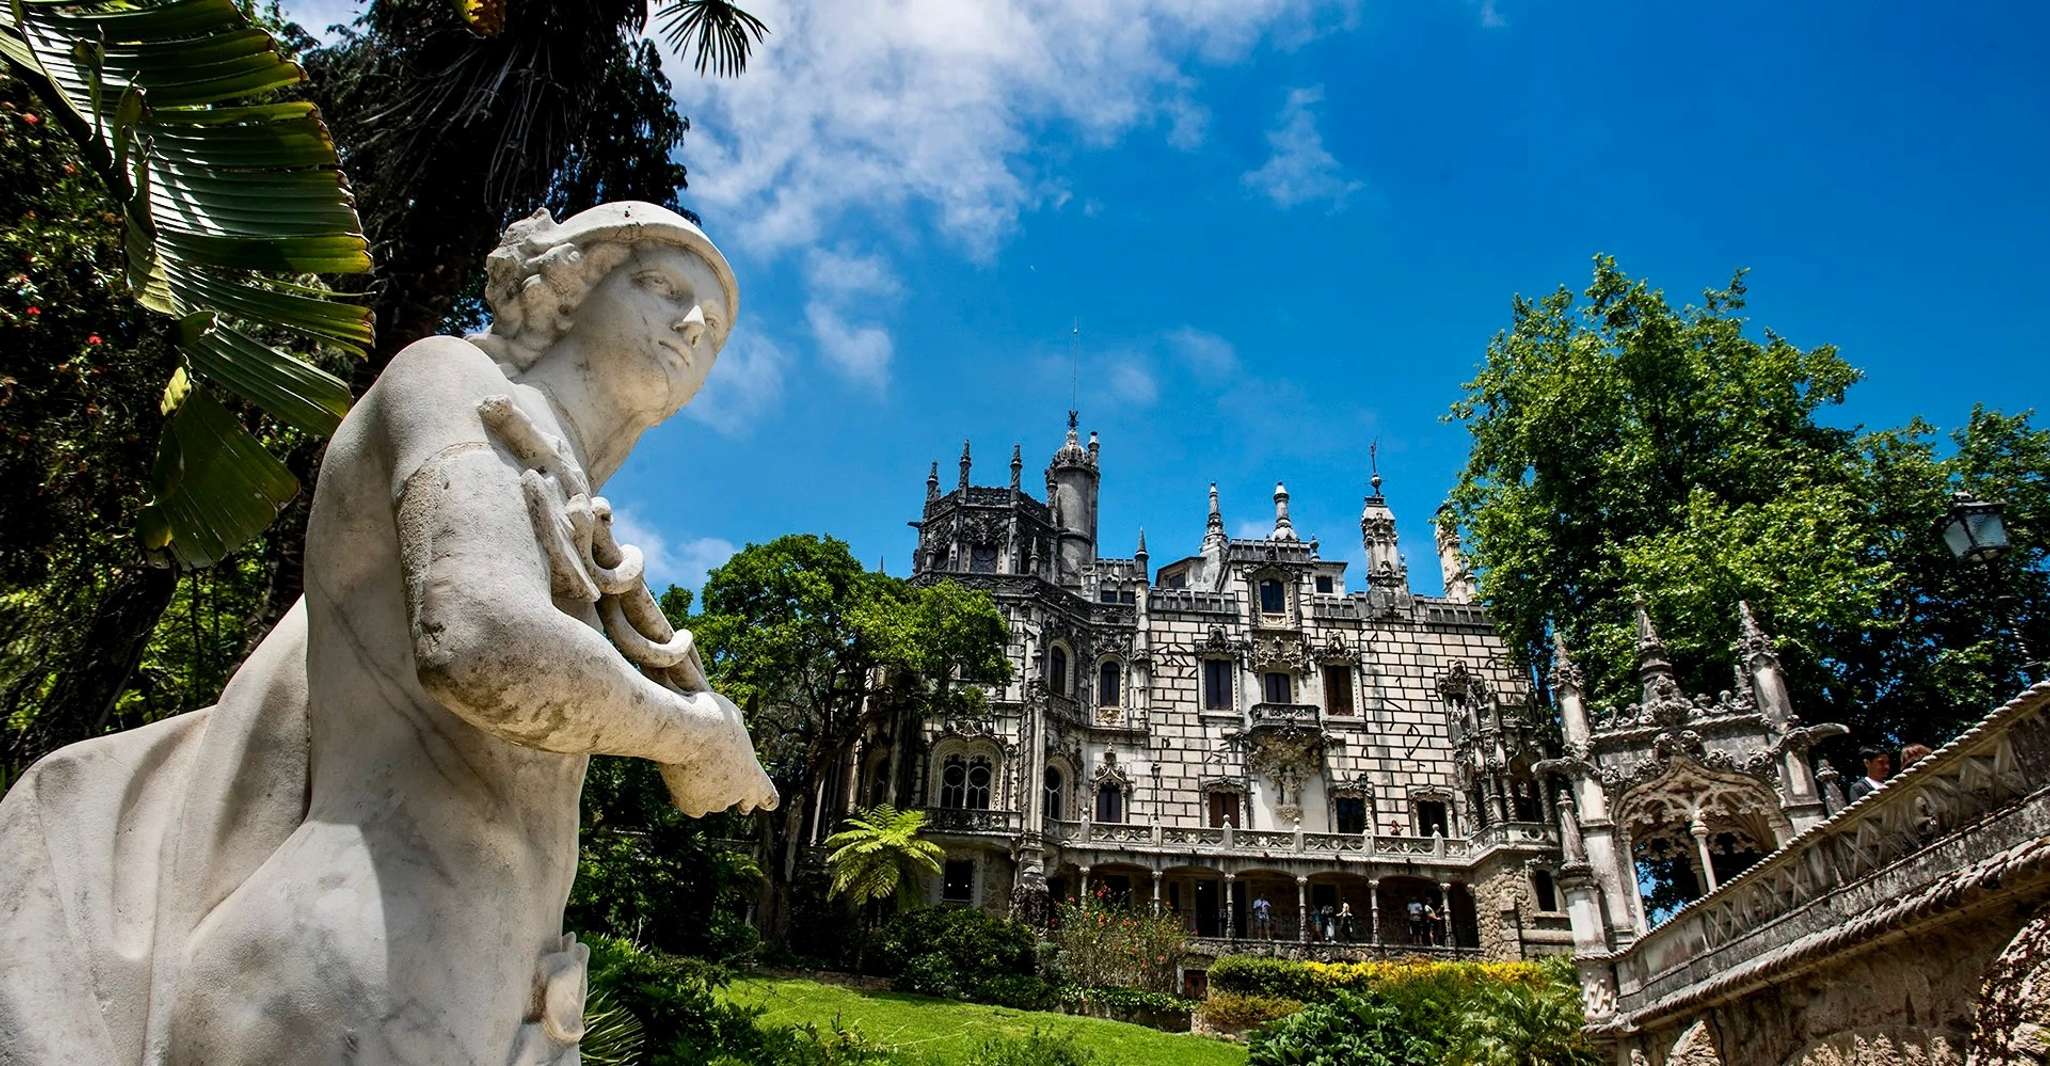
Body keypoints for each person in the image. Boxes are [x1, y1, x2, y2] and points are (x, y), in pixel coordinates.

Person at [0, 203, 778, 1066]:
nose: (695, 323)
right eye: (662, 286)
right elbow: (479, 640)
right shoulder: (452, 381)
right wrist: (695, 738)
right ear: (566, 285)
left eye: (715, 328)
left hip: (499, 989)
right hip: (370, 956)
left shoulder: (557, 483)